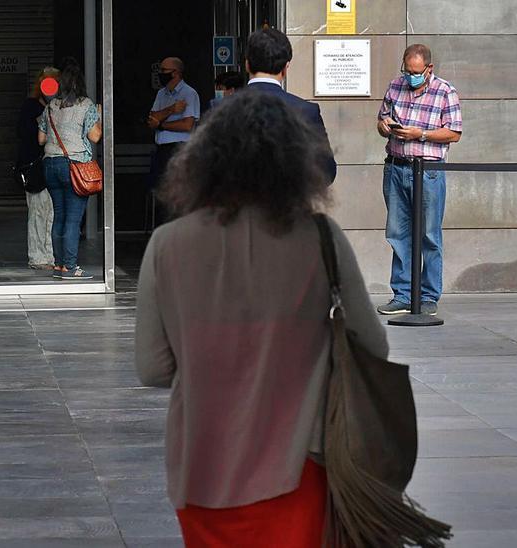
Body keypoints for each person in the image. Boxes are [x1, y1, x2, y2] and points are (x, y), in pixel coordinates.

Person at [135, 91, 388, 546]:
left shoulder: (167, 244)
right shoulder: (321, 238)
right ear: (295, 162)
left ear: (205, 160)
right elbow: (373, 343)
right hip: (300, 465)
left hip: (202, 468)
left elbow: (153, 368)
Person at [375, 43, 463, 317]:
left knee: (428, 234)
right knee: (398, 233)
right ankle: (402, 294)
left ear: (429, 69)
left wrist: (420, 134)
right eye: (407, 70)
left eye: (416, 72)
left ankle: (427, 295)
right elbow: (380, 122)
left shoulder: (445, 92)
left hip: (428, 170)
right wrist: (386, 126)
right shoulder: (395, 86)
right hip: (397, 167)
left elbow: (454, 132)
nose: (410, 76)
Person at [241, 28, 336, 184]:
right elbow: (326, 171)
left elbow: (206, 171)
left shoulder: (219, 108)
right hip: (288, 205)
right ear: (286, 68)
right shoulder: (306, 111)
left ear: (247, 64)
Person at [38, 58, 102, 281]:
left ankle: (59, 265)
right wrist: (99, 116)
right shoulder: (87, 105)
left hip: (50, 164)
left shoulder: (51, 106)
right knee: (73, 219)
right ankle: (71, 267)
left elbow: (41, 138)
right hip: (74, 165)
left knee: (59, 216)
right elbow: (95, 136)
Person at [146, 56, 200, 225]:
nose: (160, 74)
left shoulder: (189, 94)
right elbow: (151, 119)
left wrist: (161, 125)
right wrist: (172, 109)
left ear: (175, 73)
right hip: (162, 150)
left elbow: (187, 125)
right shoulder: (161, 93)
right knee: (161, 193)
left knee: (179, 194)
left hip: (179, 150)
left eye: (164, 71)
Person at [17, 66, 58, 270]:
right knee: (39, 212)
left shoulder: (57, 107)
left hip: (51, 165)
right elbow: (28, 137)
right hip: (36, 167)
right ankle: (38, 257)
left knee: (51, 212)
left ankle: (49, 256)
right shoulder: (32, 107)